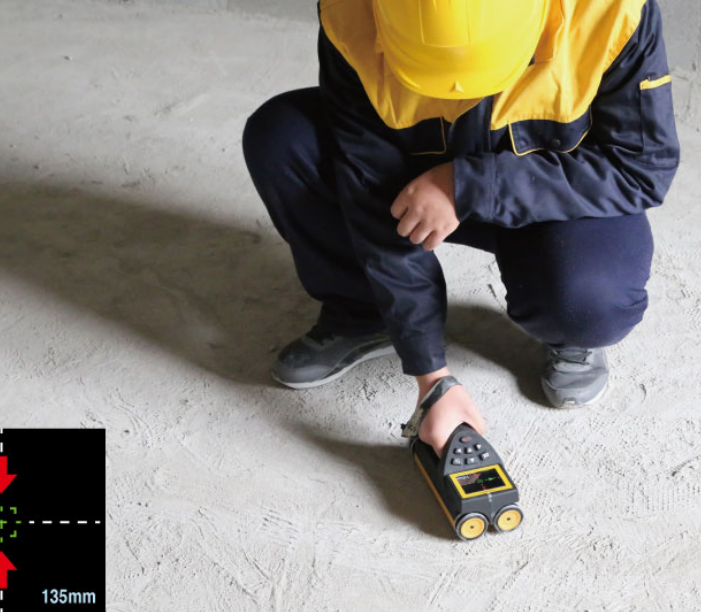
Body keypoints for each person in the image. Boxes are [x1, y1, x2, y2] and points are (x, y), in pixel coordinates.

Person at [241, 0, 680, 457]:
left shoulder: (612, 12)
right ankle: (363, 310)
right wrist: (431, 376)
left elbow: (641, 168)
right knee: (283, 138)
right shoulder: (353, 12)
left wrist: (470, 185)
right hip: (408, 185)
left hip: (545, 194)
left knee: (588, 302)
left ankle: (570, 336)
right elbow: (367, 188)